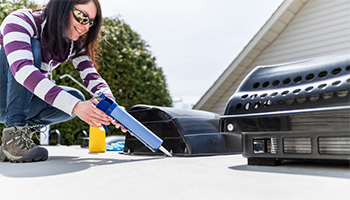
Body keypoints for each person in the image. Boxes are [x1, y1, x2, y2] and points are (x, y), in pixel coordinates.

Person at [0, 0, 126, 163]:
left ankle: (15, 142)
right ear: (62, 7)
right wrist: (74, 106)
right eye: (82, 16)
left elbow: (92, 77)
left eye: (90, 22)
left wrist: (113, 108)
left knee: (76, 96)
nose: (86, 26)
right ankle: (14, 134)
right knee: (33, 47)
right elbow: (23, 71)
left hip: (13, 103)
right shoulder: (21, 20)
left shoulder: (74, 44)